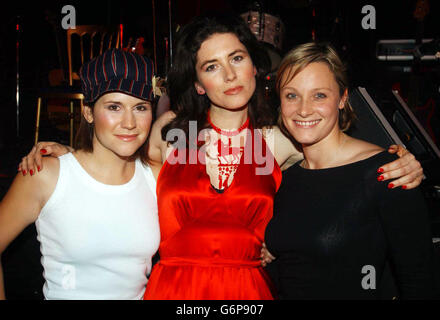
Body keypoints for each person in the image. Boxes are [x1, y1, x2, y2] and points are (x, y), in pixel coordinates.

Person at [20, 15, 424, 300]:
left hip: (246, 294)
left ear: (253, 67)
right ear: (197, 84)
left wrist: (402, 158)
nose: (229, 76)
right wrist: (67, 154)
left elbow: (341, 147)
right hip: (171, 293)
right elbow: (114, 152)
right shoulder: (171, 134)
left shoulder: (280, 138)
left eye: (237, 58)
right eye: (212, 67)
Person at [263, 42, 437, 299]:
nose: (303, 109)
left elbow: (420, 282)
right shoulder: (282, 179)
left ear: (343, 98)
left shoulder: (387, 172)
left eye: (319, 95)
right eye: (292, 95)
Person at [0, 49, 160, 300]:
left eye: (140, 107)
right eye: (114, 107)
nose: (130, 122)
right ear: (88, 112)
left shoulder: (155, 177)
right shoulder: (46, 176)